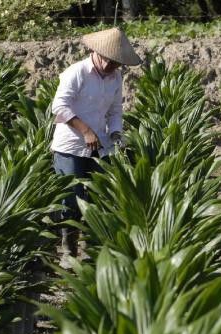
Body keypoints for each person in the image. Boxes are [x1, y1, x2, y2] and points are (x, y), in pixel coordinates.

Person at [51, 27, 142, 260]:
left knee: (97, 198)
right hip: (70, 146)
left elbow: (115, 110)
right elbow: (59, 107)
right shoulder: (77, 72)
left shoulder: (115, 77)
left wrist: (115, 134)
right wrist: (85, 130)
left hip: (99, 146)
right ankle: (68, 251)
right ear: (99, 53)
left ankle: (93, 252)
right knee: (71, 200)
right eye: (112, 62)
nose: (114, 67)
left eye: (118, 64)